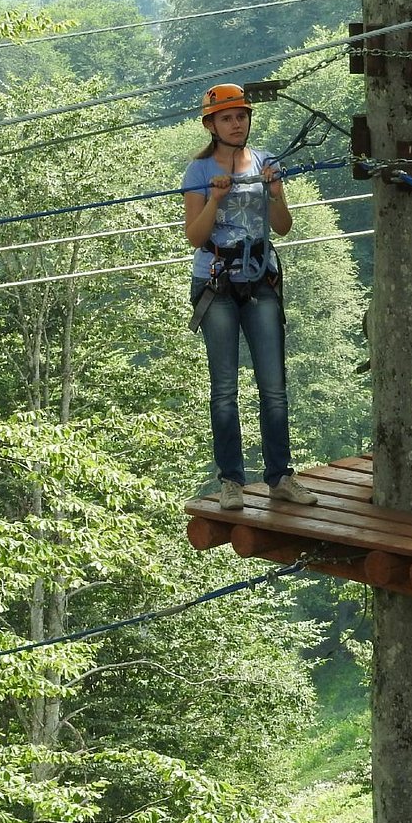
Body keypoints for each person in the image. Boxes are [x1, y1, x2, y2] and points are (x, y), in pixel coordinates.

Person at [182, 83, 316, 511]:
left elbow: (282, 227)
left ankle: (280, 476)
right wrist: (215, 200)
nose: (236, 123)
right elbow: (194, 236)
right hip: (217, 281)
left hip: (260, 278)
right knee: (225, 389)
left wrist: (275, 192)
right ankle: (231, 481)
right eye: (227, 118)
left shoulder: (265, 163)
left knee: (273, 387)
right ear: (212, 124)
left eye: (240, 116)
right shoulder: (198, 172)